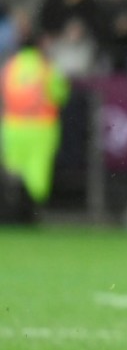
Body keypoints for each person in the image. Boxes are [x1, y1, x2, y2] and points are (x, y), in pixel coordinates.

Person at [0, 35, 70, 220]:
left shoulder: (9, 67)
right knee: (38, 172)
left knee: (13, 170)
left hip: (12, 127)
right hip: (41, 127)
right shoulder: (46, 67)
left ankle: (10, 211)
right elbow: (60, 94)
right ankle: (33, 213)